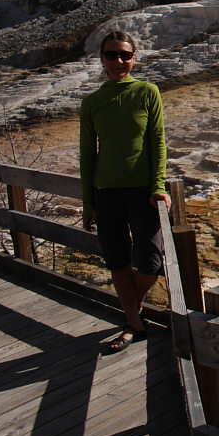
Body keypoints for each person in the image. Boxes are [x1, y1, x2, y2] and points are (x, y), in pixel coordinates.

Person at [80, 31, 171, 353]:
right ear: (101, 59)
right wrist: (87, 202)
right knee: (117, 260)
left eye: (124, 55)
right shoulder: (91, 102)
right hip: (106, 193)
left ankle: (132, 308)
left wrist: (158, 186)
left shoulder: (148, 93)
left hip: (141, 192)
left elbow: (157, 142)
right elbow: (88, 154)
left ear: (134, 58)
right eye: (111, 55)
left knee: (150, 263)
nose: (118, 61)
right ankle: (133, 322)